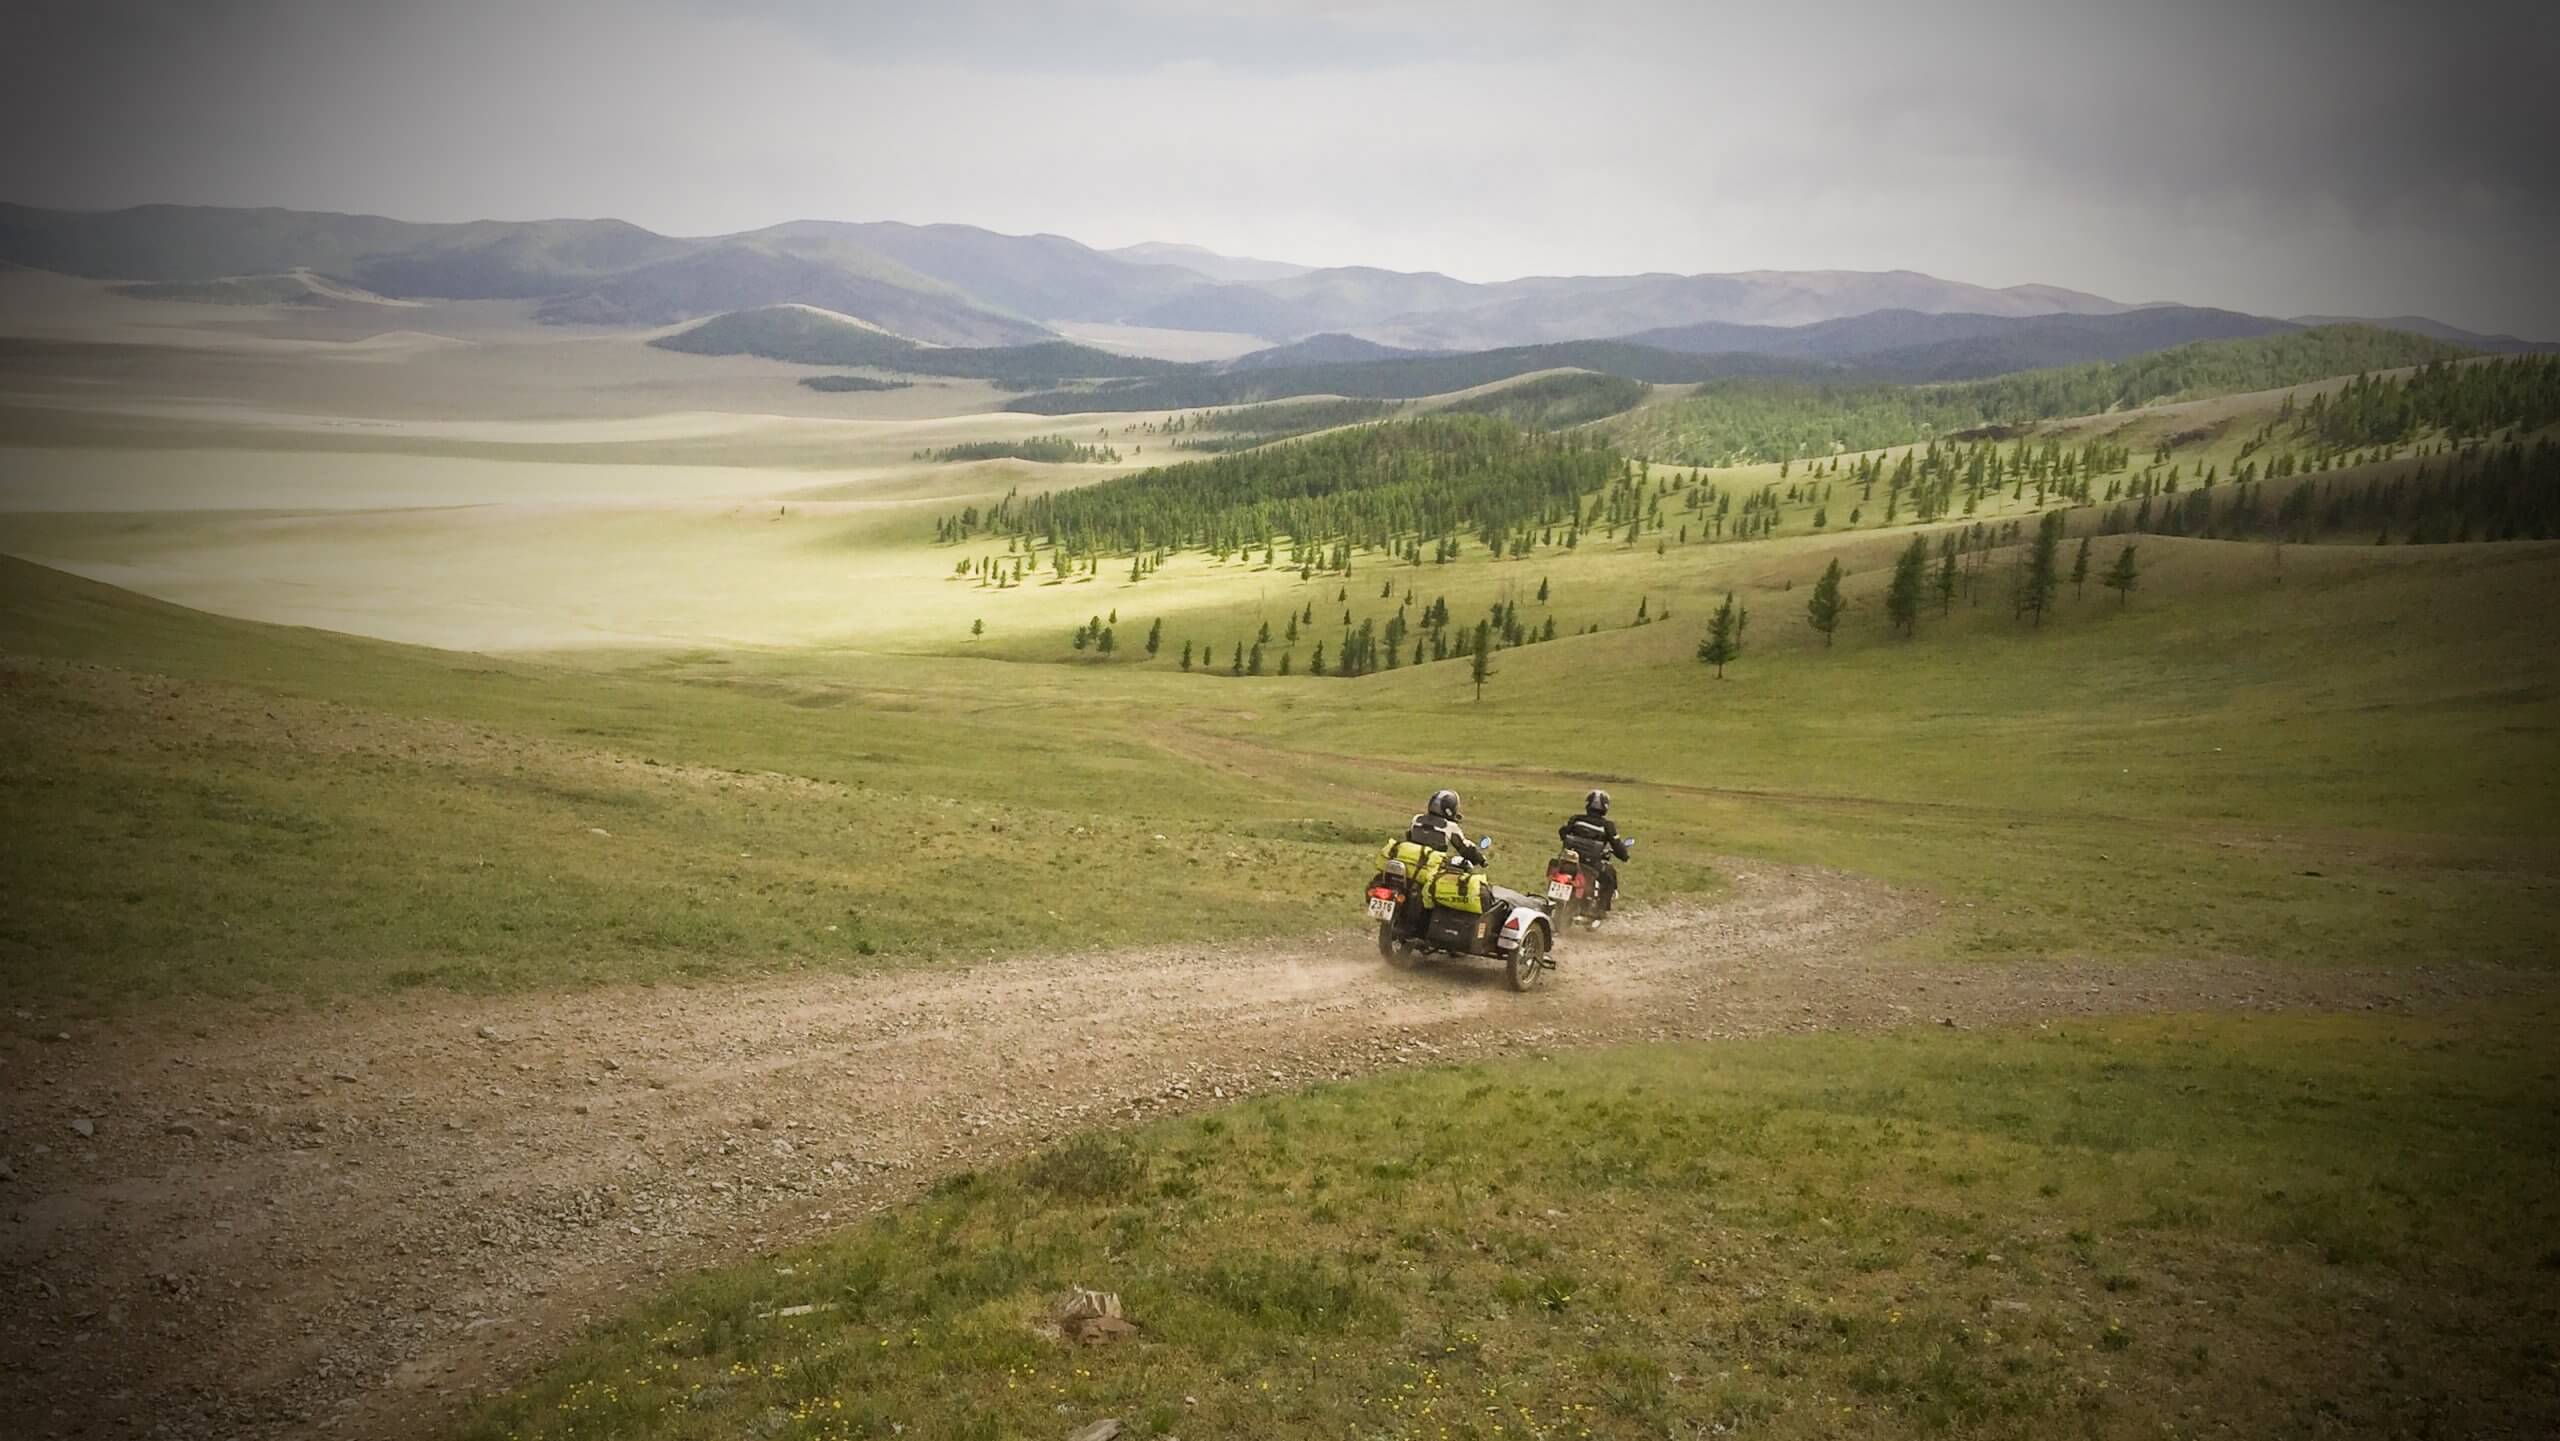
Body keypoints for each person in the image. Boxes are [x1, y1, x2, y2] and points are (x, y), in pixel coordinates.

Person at [1558, 788, 1629, 915]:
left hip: (1569, 860)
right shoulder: (1607, 826)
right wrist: (1624, 856)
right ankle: (1600, 910)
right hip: (1591, 864)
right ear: (1605, 807)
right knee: (1609, 877)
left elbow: (1563, 832)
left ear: (1587, 804)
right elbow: (1617, 846)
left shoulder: (1576, 819)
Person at [1408, 788, 1486, 868]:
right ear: (1450, 808)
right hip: (1433, 867)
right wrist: (1480, 859)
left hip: (1411, 863)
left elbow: (1409, 839)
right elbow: (1465, 848)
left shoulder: (1416, 819)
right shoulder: (1449, 826)